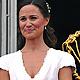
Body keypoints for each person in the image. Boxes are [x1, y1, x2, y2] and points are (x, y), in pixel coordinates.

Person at [0, 0, 76, 80]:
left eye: (33, 18)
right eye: (23, 19)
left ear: (46, 20)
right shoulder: (6, 63)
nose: (28, 24)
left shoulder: (62, 59)